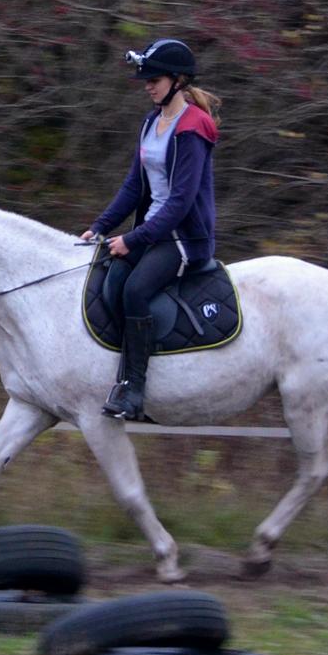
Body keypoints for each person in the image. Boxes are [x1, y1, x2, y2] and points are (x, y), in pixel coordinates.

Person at [80, 39, 221, 421]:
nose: (147, 85)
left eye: (154, 79)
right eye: (146, 79)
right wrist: (101, 227)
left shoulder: (193, 127)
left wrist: (132, 238)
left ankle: (135, 390)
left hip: (184, 239)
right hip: (152, 231)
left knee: (137, 288)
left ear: (177, 80)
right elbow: (134, 187)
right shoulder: (150, 123)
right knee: (109, 276)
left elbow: (180, 202)